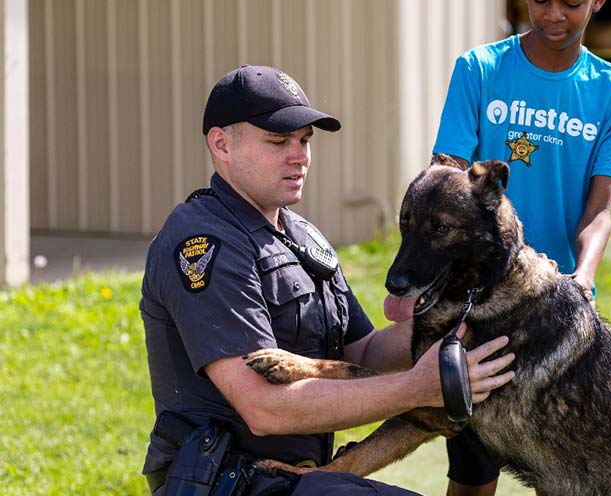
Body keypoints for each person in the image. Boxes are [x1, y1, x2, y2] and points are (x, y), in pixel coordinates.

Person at [139, 65, 516, 495]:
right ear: (222, 145)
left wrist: (476, 311)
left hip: (297, 478)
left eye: (304, 141)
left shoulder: (302, 237)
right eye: (278, 141)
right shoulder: (203, 241)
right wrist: (419, 389)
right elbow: (265, 409)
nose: (299, 156)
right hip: (225, 480)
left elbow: (367, 352)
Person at [430, 0, 611, 496]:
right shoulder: (479, 69)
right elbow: (448, 181)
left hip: (552, 306)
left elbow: (599, 208)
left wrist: (582, 279)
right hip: (475, 302)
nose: (554, 14)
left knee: (566, 473)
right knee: (472, 473)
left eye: (571, 2)